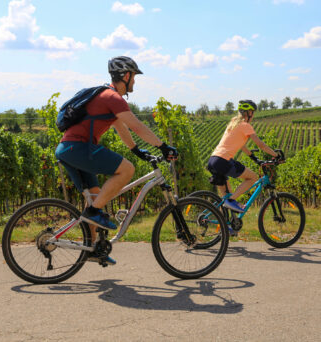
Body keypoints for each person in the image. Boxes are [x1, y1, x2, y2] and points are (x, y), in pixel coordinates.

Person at [55, 56, 178, 264]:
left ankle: (92, 248)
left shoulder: (106, 96)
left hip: (68, 149)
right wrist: (163, 146)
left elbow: (121, 126)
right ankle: (93, 212)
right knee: (127, 170)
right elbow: (136, 125)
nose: (135, 83)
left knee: (95, 196)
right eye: (134, 78)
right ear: (126, 76)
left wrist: (137, 150)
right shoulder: (113, 98)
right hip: (79, 148)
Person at [207, 100, 278, 213]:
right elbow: (260, 144)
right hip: (223, 161)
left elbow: (242, 146)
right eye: (253, 112)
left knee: (227, 198)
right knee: (253, 177)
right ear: (248, 113)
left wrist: (253, 158)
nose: (253, 115)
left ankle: (227, 226)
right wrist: (276, 154)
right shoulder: (246, 125)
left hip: (213, 160)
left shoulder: (233, 122)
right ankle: (230, 201)